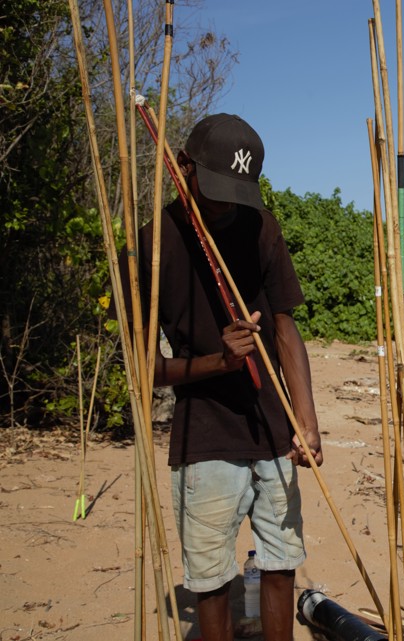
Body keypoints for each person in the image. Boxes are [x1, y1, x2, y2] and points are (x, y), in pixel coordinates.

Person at [130, 113, 323, 641]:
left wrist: (305, 421)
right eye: (213, 189)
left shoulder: (261, 226)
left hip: (272, 425)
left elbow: (284, 325)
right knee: (211, 579)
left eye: (236, 191)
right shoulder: (151, 245)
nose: (223, 203)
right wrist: (220, 361)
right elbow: (144, 369)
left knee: (282, 563)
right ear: (183, 166)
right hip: (205, 433)